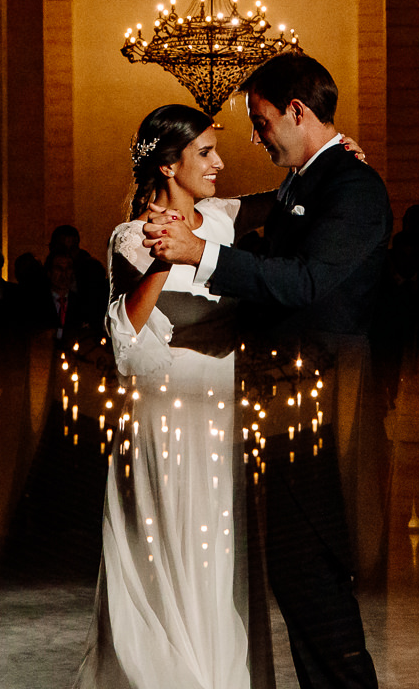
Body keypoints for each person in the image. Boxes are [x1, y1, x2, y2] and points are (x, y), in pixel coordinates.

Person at [146, 53, 388, 689]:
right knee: (296, 569)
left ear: (298, 112)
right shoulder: (311, 179)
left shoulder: (353, 187)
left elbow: (308, 281)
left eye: (261, 120)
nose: (255, 137)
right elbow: (263, 214)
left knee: (315, 571)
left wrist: (200, 254)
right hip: (285, 396)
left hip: (322, 392)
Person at [76, 103, 251, 689]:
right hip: (164, 405)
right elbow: (124, 335)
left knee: (214, 543)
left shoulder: (224, 220)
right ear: (171, 165)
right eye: (205, 152)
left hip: (220, 401)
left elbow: (287, 195)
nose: (219, 162)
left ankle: (210, 663)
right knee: (163, 536)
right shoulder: (130, 237)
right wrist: (161, 254)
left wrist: (336, 155)